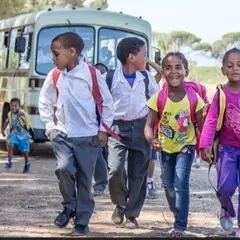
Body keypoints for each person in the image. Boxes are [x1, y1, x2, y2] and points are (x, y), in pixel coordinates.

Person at [38, 32, 114, 236]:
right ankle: (70, 205)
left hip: (88, 136)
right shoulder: (55, 75)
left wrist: (102, 130)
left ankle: (82, 221)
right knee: (63, 168)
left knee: (84, 180)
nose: (53, 59)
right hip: (62, 134)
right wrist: (50, 126)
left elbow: (107, 102)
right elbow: (45, 101)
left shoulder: (90, 74)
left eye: (56, 54)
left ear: (72, 52)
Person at [145, 52, 205, 237]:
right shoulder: (158, 98)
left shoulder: (194, 98)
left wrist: (206, 147)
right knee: (168, 186)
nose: (174, 72)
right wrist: (151, 139)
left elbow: (204, 126)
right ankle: (177, 210)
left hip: (186, 147)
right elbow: (148, 125)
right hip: (164, 148)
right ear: (163, 72)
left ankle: (180, 225)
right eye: (168, 68)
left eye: (178, 67)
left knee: (180, 184)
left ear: (185, 71)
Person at [106, 37, 159, 228]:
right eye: (144, 55)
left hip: (141, 128)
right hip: (117, 129)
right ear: (131, 57)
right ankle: (120, 203)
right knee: (115, 169)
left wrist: (152, 127)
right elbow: (103, 104)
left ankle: (131, 214)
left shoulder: (145, 77)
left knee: (138, 174)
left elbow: (157, 100)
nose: (146, 58)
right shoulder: (111, 77)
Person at [200, 48, 240, 236]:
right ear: (223, 69)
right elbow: (210, 121)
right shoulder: (221, 93)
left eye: (239, 65)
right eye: (230, 66)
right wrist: (205, 145)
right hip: (227, 149)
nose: (235, 69)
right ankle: (226, 209)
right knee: (225, 187)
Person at [2, 98, 32, 173]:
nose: (13, 108)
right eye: (12, 106)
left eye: (15, 106)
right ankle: (9, 162)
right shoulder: (10, 114)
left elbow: (25, 119)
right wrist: (2, 130)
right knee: (10, 144)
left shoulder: (22, 113)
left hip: (23, 135)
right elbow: (6, 122)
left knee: (25, 151)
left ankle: (27, 163)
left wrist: (22, 115)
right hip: (14, 133)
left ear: (19, 106)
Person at [92, 62, 109, 197]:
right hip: (91, 127)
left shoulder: (109, 89)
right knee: (98, 155)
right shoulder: (87, 88)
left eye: (102, 73)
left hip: (108, 128)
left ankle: (103, 182)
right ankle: (99, 184)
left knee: (105, 156)